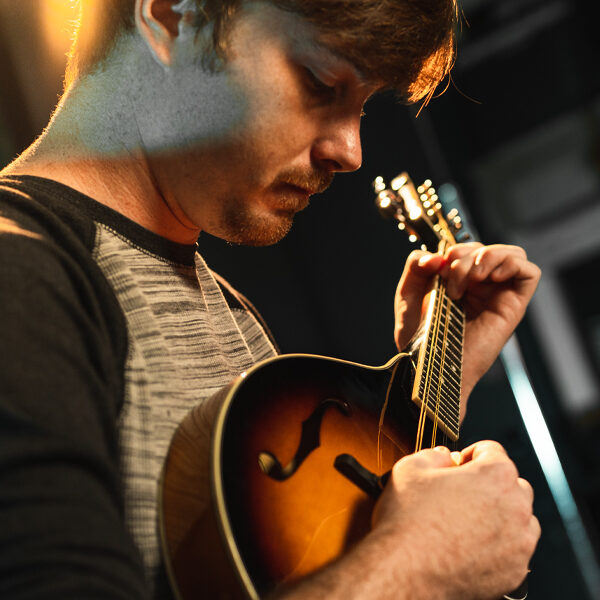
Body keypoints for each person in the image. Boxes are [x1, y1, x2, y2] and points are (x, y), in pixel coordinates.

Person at [0, 0, 541, 598]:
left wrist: (432, 385)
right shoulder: (21, 271)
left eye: (361, 107)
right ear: (172, 18)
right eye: (320, 83)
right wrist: (419, 565)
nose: (351, 152)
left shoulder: (227, 309)